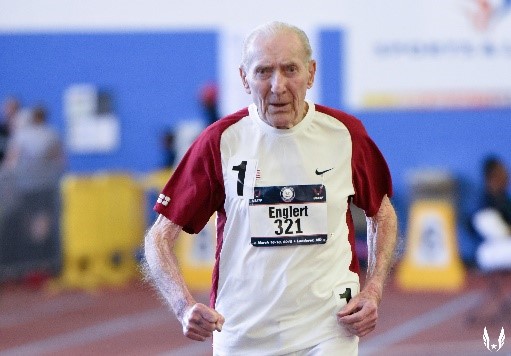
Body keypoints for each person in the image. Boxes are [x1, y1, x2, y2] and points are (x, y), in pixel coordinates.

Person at [143, 21, 398, 355]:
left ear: (311, 73)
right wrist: (183, 305)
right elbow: (159, 237)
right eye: (263, 71)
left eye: (290, 69)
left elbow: (383, 215)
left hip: (329, 326)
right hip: (243, 329)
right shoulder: (220, 142)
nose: (278, 86)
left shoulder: (345, 135)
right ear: (244, 79)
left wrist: (373, 290)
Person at [469, 156, 511, 322]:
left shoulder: (502, 198)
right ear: (492, 175)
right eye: (502, 171)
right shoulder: (486, 202)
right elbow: (494, 229)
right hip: (494, 251)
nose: (507, 174)